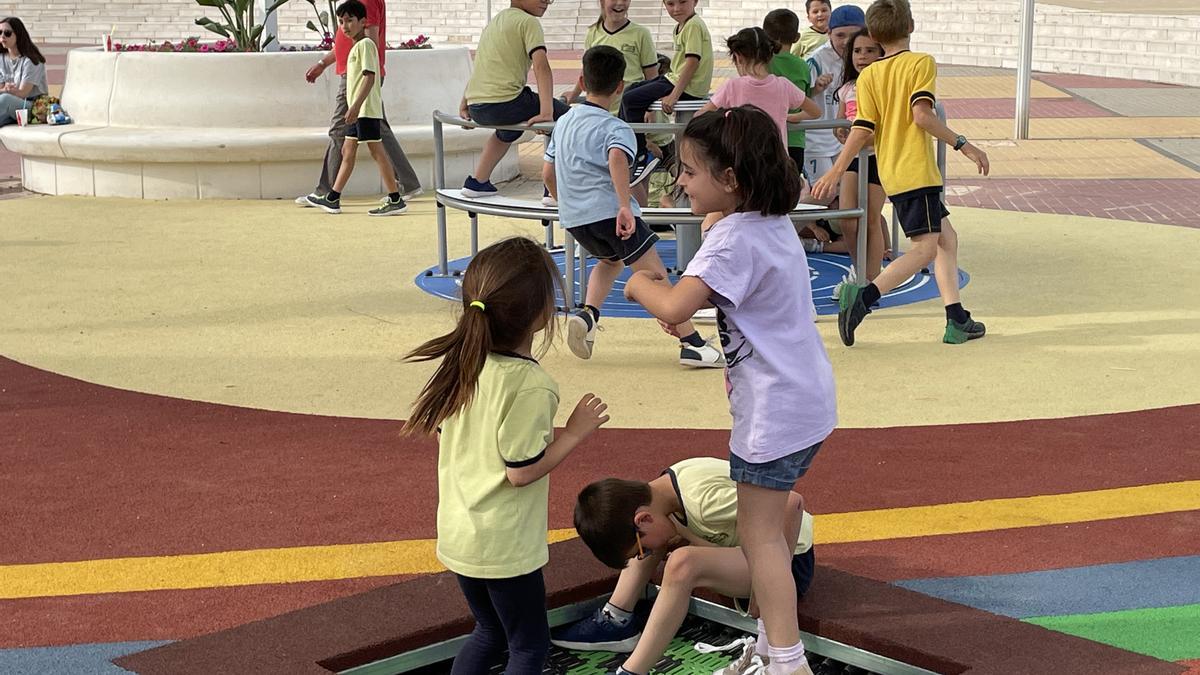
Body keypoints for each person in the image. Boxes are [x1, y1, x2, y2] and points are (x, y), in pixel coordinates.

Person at [625, 106, 837, 675]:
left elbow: (672, 304)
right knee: (775, 523)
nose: (681, 182)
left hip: (772, 412)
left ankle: (788, 661)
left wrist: (638, 284)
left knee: (760, 538)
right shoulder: (770, 224)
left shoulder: (730, 241)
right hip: (807, 399)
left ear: (731, 180)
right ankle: (770, 644)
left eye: (690, 171)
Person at [402, 236, 611, 674]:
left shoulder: (465, 360)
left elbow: (448, 435)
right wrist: (573, 434)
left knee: (488, 632)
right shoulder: (530, 384)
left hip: (461, 532)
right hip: (503, 544)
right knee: (527, 647)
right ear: (538, 316)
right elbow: (520, 471)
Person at [812, 0, 990, 346]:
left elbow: (862, 128)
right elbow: (921, 115)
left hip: (892, 171)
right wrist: (964, 144)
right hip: (916, 171)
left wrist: (836, 169)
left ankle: (957, 318)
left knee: (946, 239)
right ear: (910, 26)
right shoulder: (920, 63)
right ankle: (862, 299)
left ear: (875, 35)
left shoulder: (870, 75)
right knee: (925, 248)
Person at [543, 46, 723, 368]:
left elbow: (547, 171)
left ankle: (589, 315)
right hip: (612, 214)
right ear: (620, 87)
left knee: (610, 261)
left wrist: (565, 204)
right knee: (655, 277)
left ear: (582, 80)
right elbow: (616, 158)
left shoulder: (564, 122)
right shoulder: (616, 128)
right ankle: (692, 344)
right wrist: (625, 205)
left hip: (575, 217)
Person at [554, 456, 816, 675]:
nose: (646, 556)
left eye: (641, 551)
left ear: (643, 518)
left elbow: (791, 504)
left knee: (682, 563)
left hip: (790, 562)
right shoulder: (662, 492)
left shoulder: (703, 502)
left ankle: (632, 670)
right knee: (664, 534)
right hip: (745, 552)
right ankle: (617, 618)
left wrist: (767, 587)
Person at [297, 0, 422, 208]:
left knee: (343, 131)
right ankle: (403, 186)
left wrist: (356, 99)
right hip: (355, 75)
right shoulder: (356, 6)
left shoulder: (365, 3)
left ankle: (327, 192)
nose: (344, 25)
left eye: (348, 21)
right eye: (341, 22)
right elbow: (348, 45)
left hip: (357, 77)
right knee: (366, 137)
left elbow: (368, 45)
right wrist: (323, 64)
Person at [459, 0, 570, 198]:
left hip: (478, 105)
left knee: (507, 131)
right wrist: (546, 112)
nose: (547, 2)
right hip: (506, 102)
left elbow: (482, 66)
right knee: (567, 120)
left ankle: (477, 182)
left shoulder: (494, 23)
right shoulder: (528, 22)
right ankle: (553, 190)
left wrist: (466, 101)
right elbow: (541, 66)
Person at [618, 0, 713, 172]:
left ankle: (640, 153)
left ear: (695, 1)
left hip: (686, 86)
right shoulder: (682, 26)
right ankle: (628, 144)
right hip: (674, 78)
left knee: (630, 99)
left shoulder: (693, 26)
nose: (676, 9)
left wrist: (674, 95)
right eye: (670, 4)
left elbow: (692, 62)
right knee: (631, 90)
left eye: (682, 2)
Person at [831, 27, 887, 294]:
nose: (862, 56)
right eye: (857, 51)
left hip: (879, 159)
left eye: (869, 51)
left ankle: (872, 280)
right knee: (847, 219)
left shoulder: (883, 86)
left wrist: (860, 138)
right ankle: (859, 269)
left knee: (872, 218)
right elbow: (841, 122)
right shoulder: (846, 89)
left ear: (881, 54)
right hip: (853, 158)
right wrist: (841, 132)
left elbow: (880, 129)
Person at [696, 27, 820, 145]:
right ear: (770, 56)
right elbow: (815, 112)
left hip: (741, 160)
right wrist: (788, 117)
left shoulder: (732, 86)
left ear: (738, 58)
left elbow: (700, 116)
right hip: (776, 161)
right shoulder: (784, 85)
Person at [803, 4, 866, 190]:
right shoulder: (816, 60)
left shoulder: (866, 59)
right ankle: (791, 219)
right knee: (825, 193)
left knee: (847, 197)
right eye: (840, 35)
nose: (847, 41)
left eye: (853, 36)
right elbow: (796, 100)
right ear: (829, 33)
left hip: (846, 140)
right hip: (816, 141)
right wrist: (815, 89)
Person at [558, 0, 658, 115]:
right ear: (602, 2)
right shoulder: (593, 32)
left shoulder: (641, 34)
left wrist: (651, 110)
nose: (620, 3)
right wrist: (573, 96)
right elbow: (586, 71)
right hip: (600, 111)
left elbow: (652, 77)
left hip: (630, 111)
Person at [764, 9, 813, 176]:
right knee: (789, 194)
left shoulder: (763, 63)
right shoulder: (802, 66)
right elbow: (806, 99)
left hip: (767, 137)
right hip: (795, 138)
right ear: (797, 38)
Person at [0, 17, 47, 127]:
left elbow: (22, 93)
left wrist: (6, 91)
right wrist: (5, 89)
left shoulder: (31, 60)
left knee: (5, 99)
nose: (2, 36)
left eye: (7, 33)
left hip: (33, 107)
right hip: (10, 106)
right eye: (0, 32)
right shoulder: (1, 58)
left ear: (18, 35)